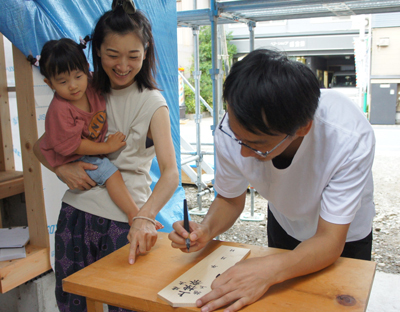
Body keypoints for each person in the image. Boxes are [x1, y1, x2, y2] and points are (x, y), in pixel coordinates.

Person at [169, 49, 375, 312]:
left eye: (256, 146)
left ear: (302, 128)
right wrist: (206, 230)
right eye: (237, 138)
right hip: (285, 221)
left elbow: (329, 239)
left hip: (342, 238)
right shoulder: (238, 125)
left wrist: (270, 271)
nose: (243, 152)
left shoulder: (348, 137)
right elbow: (230, 200)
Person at [33, 1, 179, 311]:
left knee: (125, 306)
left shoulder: (153, 103)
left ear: (146, 52)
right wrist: (61, 169)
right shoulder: (82, 92)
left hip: (125, 226)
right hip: (75, 217)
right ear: (97, 51)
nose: (123, 65)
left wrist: (144, 217)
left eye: (133, 56)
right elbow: (40, 146)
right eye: (113, 55)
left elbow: (171, 174)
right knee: (74, 305)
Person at [29, 38, 162, 232]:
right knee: (110, 173)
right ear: (49, 83)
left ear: (87, 69)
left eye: (78, 76)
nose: (73, 86)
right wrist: (106, 147)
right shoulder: (60, 109)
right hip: (74, 155)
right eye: (63, 82)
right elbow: (74, 145)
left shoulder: (92, 84)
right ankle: (134, 213)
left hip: (82, 154)